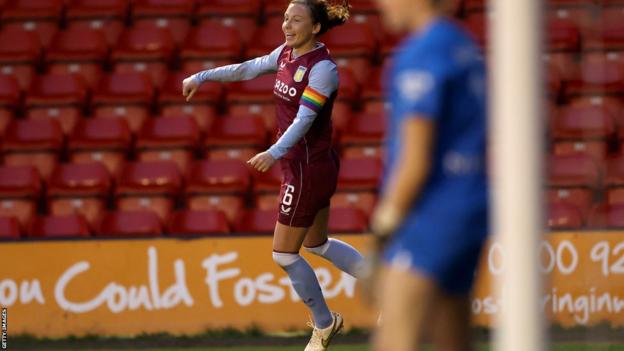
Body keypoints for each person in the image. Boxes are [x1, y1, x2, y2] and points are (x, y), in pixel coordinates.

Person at [182, 1, 364, 350]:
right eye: (285, 18)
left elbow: (304, 120)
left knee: (284, 254)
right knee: (317, 243)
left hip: (306, 169)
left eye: (296, 20)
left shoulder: (322, 69)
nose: (287, 25)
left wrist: (273, 152)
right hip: (309, 164)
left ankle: (325, 324)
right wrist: (201, 77)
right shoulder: (285, 54)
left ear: (315, 28)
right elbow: (247, 68)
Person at [368, 0, 489, 350]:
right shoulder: (464, 45)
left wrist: (382, 231)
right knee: (452, 340)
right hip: (470, 206)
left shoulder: (420, 54)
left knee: (394, 339)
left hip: (432, 212)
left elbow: (415, 163)